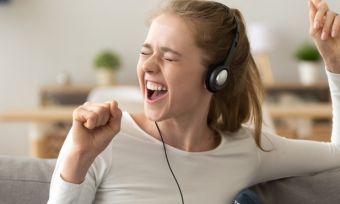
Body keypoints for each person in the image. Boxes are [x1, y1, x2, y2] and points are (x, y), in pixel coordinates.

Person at [48, 0, 340, 203]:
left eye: (169, 56)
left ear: (217, 77)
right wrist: (77, 159)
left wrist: (334, 63)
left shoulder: (247, 151)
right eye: (145, 51)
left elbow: (337, 152)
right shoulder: (99, 142)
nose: (148, 65)